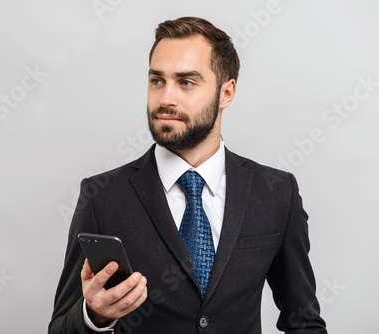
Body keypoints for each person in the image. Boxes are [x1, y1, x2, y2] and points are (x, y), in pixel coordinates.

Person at [49, 16, 327, 334]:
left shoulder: (276, 193)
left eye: (186, 82)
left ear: (226, 92)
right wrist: (94, 317)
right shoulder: (103, 196)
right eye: (157, 80)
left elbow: (303, 321)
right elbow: (59, 328)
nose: (166, 98)